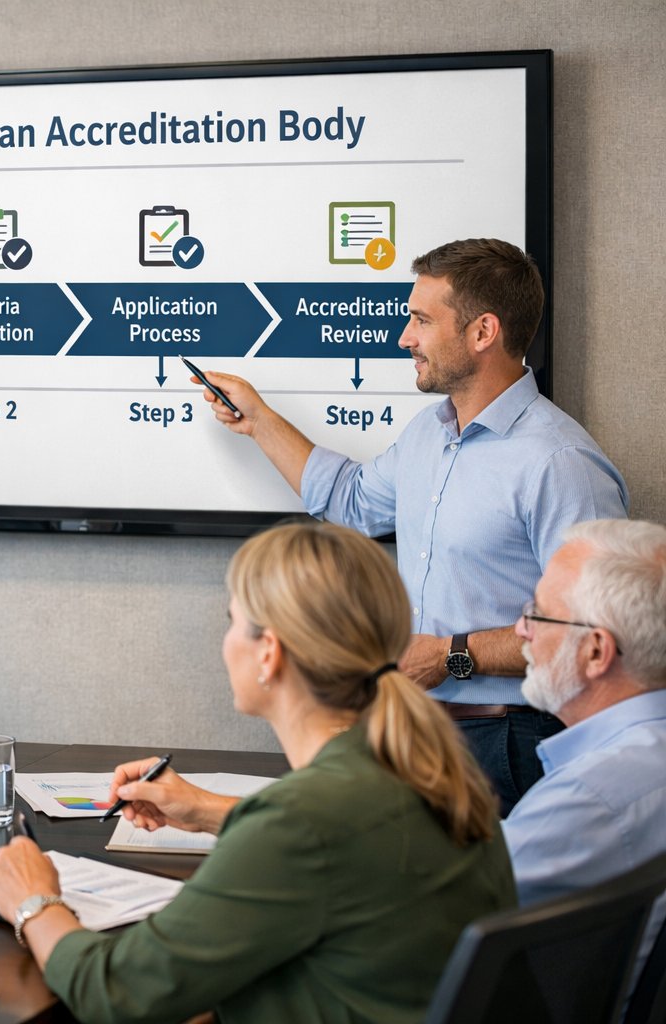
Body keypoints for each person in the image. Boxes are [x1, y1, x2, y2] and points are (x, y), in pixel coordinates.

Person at [0, 521, 515, 1024]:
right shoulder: (427, 771)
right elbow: (341, 852)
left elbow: (116, 993)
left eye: (231, 621)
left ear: (269, 653)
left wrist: (34, 901)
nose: (224, 642)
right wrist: (207, 811)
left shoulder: (305, 821)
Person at [191, 238, 627, 812]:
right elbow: (350, 500)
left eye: (421, 320)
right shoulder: (429, 434)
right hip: (419, 731)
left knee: (487, 904)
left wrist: (451, 655)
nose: (405, 338)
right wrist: (259, 420)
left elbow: (595, 635)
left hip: (511, 743)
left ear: (482, 332)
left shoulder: (559, 463)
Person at [502, 519, 666, 961]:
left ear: (595, 651)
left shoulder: (587, 798)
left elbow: (422, 913)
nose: (521, 629)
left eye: (537, 612)